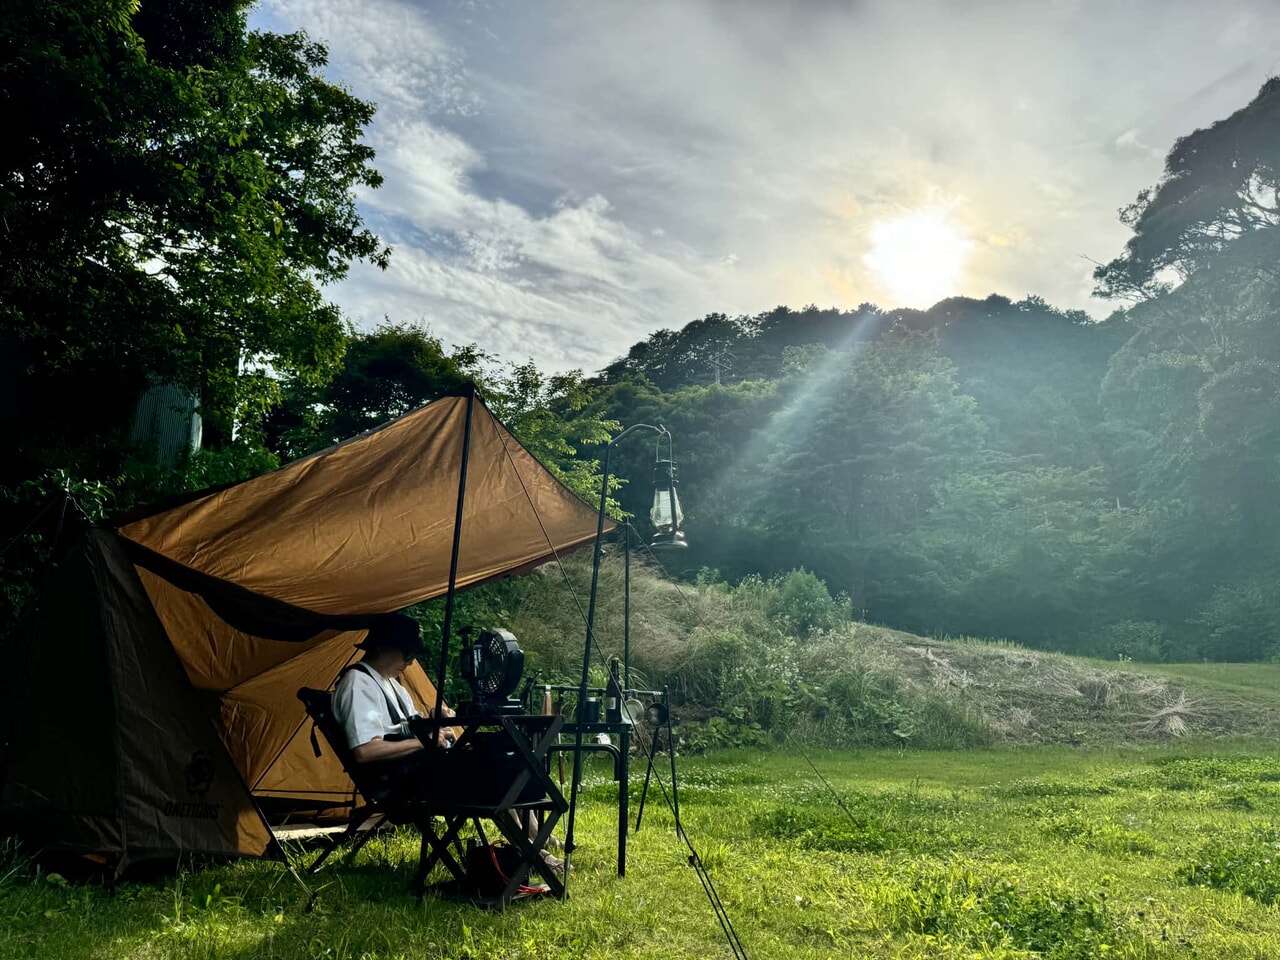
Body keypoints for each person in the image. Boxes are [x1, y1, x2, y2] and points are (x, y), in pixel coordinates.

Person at [332, 614, 455, 765]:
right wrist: (425, 742)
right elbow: (364, 751)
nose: (409, 662)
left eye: (413, 656)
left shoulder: (392, 684)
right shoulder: (357, 684)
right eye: (407, 654)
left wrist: (434, 719)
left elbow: (408, 727)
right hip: (404, 781)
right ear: (383, 647)